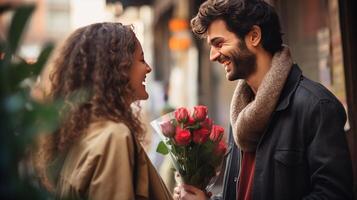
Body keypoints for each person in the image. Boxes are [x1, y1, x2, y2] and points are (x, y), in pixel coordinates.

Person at [174, 0, 353, 199]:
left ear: (254, 36)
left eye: (219, 43)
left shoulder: (316, 106)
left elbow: (334, 195)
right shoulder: (241, 113)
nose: (213, 56)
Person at [33, 22, 172, 200]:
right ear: (118, 67)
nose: (148, 68)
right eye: (141, 59)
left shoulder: (79, 134)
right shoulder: (114, 136)